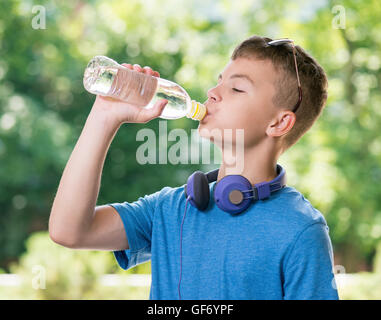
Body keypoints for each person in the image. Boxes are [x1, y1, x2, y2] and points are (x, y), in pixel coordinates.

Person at [49, 35, 339, 300]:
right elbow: (69, 231)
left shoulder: (300, 230)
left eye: (237, 88)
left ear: (278, 123)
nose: (212, 92)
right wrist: (104, 115)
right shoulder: (172, 208)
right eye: (219, 81)